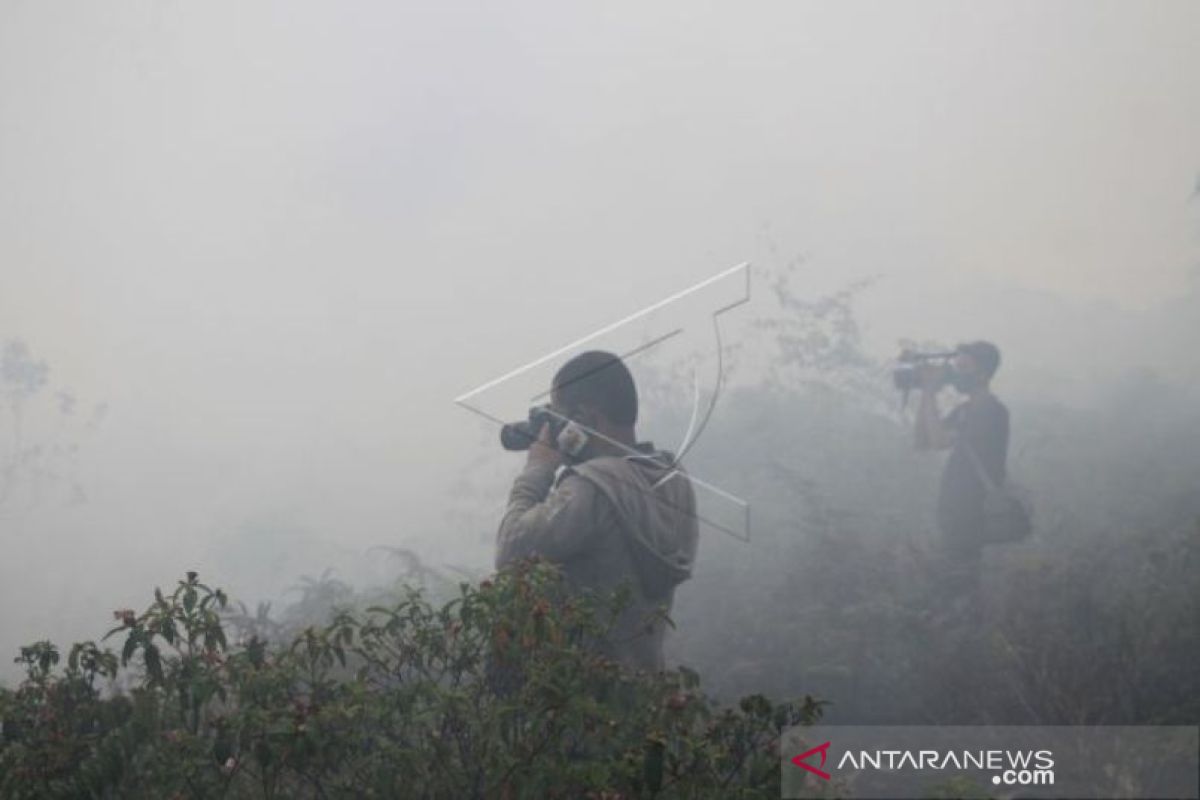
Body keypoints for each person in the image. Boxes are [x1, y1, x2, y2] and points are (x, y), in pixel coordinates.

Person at [495, 350, 699, 672]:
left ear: (586, 419)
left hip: (587, 701)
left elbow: (511, 551)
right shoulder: (671, 481)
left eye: (559, 417)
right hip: (648, 698)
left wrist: (538, 468)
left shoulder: (593, 489)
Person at [913, 341, 1009, 608]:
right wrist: (925, 394)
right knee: (953, 581)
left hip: (970, 511)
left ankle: (967, 635)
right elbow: (924, 441)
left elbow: (940, 439)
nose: (956, 375)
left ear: (982, 373)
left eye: (963, 367)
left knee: (960, 584)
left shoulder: (990, 410)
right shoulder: (967, 410)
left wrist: (932, 392)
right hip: (955, 510)